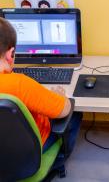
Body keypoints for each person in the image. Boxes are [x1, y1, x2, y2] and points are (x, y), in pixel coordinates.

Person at [0, 17, 82, 154]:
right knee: (75, 114)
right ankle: (59, 159)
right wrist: (60, 96)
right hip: (28, 151)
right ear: (11, 54)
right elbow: (64, 110)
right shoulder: (18, 84)